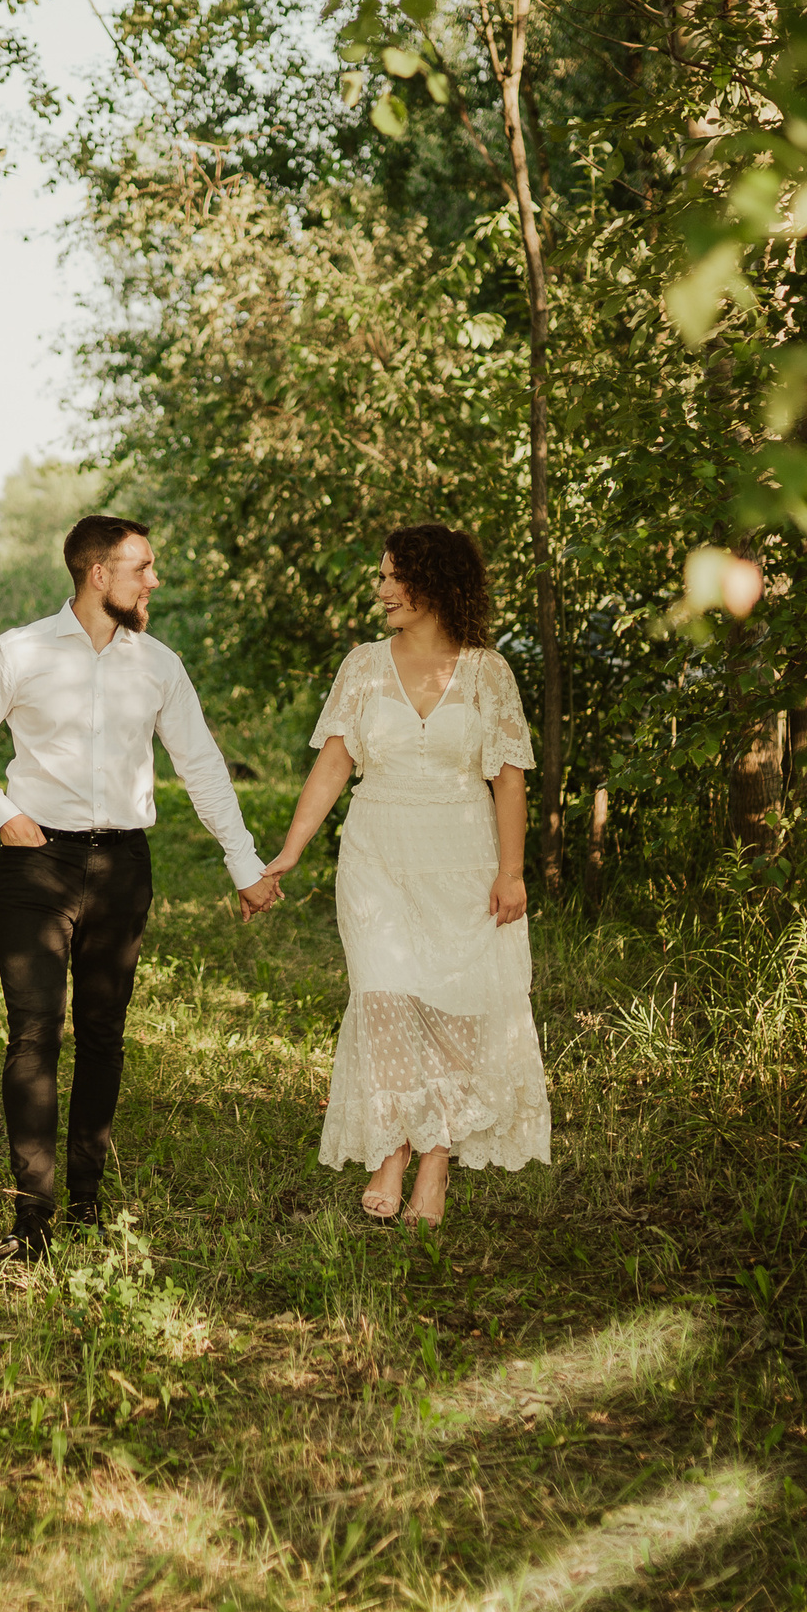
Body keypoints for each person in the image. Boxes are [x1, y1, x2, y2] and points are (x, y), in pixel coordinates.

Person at [0, 515, 284, 1261]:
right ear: (100, 574)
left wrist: (245, 867)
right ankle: (31, 1219)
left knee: (102, 1033)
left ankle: (88, 1206)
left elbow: (202, 768)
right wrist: (2, 811)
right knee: (33, 1033)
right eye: (142, 567)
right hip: (37, 866)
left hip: (123, 868)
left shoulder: (157, 664)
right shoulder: (20, 651)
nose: (153, 580)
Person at [257, 524, 550, 1227]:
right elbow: (332, 764)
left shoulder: (487, 672)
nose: (382, 589)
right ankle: (391, 1148)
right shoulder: (362, 666)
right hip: (377, 855)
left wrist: (512, 872)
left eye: (394, 577)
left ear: (435, 582)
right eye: (381, 577)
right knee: (384, 997)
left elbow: (509, 781)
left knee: (454, 1009)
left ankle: (435, 1161)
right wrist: (290, 850)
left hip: (464, 856)